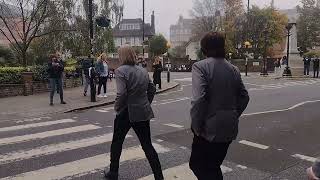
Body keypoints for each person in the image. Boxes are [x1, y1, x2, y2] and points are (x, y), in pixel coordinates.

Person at [189, 32, 249, 180]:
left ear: (205, 49)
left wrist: (196, 127)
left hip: (207, 129)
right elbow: (244, 96)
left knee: (197, 165)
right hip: (229, 126)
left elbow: (198, 100)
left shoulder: (200, 67)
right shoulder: (233, 69)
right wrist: (233, 114)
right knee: (213, 166)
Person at [104, 46, 164, 180]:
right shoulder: (142, 70)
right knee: (147, 145)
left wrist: (117, 107)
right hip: (142, 111)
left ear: (122, 56)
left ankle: (113, 173)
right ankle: (159, 177)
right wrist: (147, 103)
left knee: (117, 143)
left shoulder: (120, 71)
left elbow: (122, 93)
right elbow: (152, 88)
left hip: (126, 112)